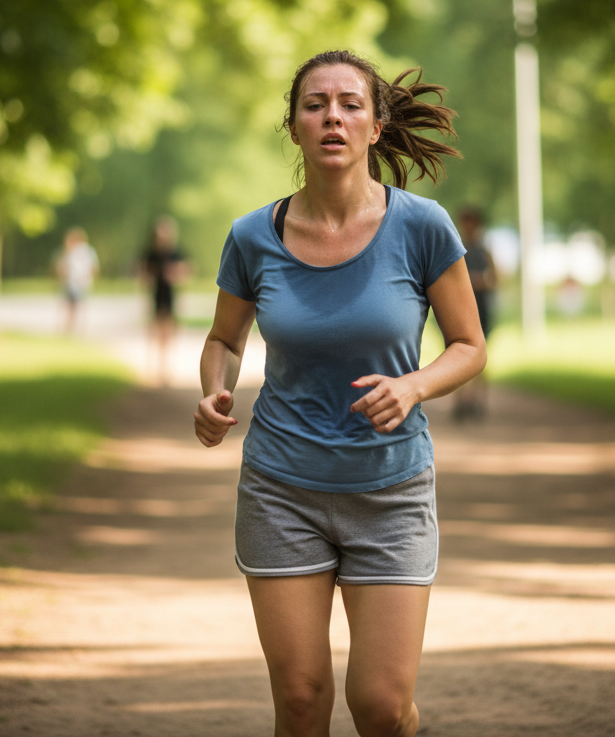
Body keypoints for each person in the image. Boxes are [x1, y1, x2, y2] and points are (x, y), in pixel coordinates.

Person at [194, 50, 487, 737]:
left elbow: (470, 347)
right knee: (300, 700)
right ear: (294, 126)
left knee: (382, 709)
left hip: (390, 489)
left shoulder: (422, 228)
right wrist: (214, 392)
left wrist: (414, 385)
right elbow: (225, 342)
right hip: (281, 488)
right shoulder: (251, 237)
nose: (332, 116)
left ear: (375, 126)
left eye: (350, 104)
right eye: (315, 104)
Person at [452, 205, 497, 421]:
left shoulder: (483, 251)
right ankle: (460, 402)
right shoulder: (456, 247)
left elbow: (495, 279)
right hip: (459, 311)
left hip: (481, 310)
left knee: (480, 355)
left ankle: (477, 401)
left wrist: (478, 281)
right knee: (455, 355)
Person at [140, 215, 190, 385]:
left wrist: (175, 274)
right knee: (154, 332)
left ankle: (166, 369)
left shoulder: (175, 254)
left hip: (169, 297)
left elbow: (185, 273)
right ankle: (153, 369)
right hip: (155, 295)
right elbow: (142, 273)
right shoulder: (151, 254)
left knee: (168, 334)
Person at [55, 227, 98, 334]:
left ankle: (71, 328)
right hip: (74, 282)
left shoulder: (83, 251)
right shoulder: (75, 251)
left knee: (74, 305)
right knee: (72, 305)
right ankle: (70, 327)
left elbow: (92, 267)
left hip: (77, 282)